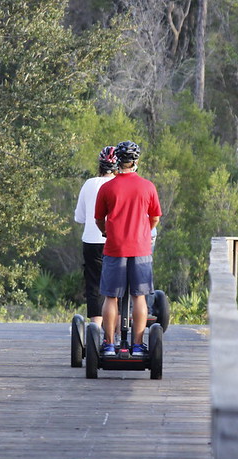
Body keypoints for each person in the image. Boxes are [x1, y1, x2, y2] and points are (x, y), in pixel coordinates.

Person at [94, 140, 162, 356]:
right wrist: (144, 230)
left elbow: (98, 219)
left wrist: (107, 232)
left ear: (118, 162)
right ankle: (138, 346)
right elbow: (155, 217)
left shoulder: (107, 187)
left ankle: (109, 345)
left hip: (115, 248)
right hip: (141, 249)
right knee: (139, 297)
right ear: (136, 161)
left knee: (110, 297)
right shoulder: (148, 186)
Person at [74, 146, 117, 326]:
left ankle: (96, 328)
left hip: (92, 240)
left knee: (94, 284)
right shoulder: (120, 184)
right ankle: (115, 331)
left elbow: (79, 218)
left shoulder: (89, 184)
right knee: (117, 285)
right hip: (115, 240)